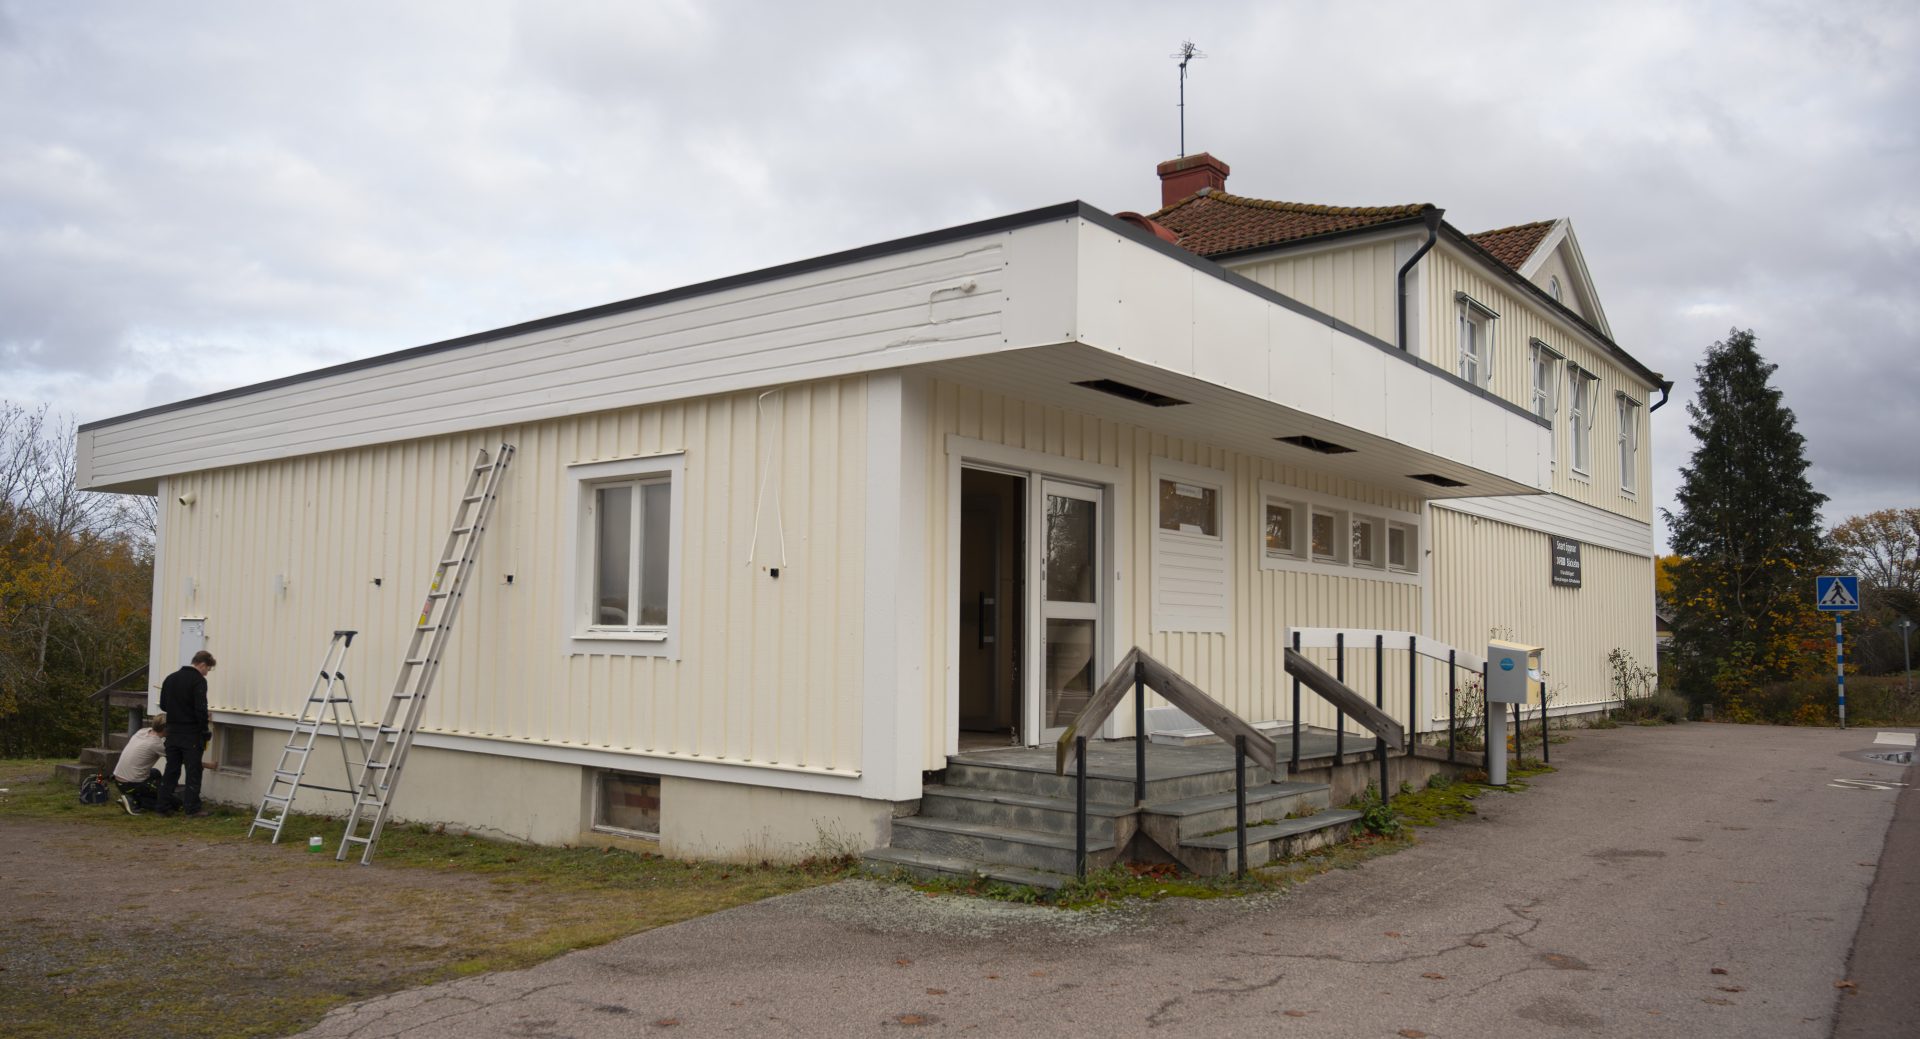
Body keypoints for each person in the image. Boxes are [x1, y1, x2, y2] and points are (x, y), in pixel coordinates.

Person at [157, 650, 215, 816]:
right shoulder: (198, 681)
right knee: (193, 770)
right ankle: (192, 808)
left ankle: (163, 806)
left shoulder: (170, 678)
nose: (207, 673)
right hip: (191, 732)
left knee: (171, 770)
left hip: (172, 731)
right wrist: (205, 731)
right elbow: (200, 709)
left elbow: (163, 706)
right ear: (202, 664)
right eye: (208, 669)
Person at [111, 714, 168, 814]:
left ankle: (131, 797)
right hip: (131, 783)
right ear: (165, 728)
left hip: (118, 779)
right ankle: (134, 802)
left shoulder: (142, 731)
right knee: (166, 803)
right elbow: (179, 759)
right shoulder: (156, 744)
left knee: (155, 773)